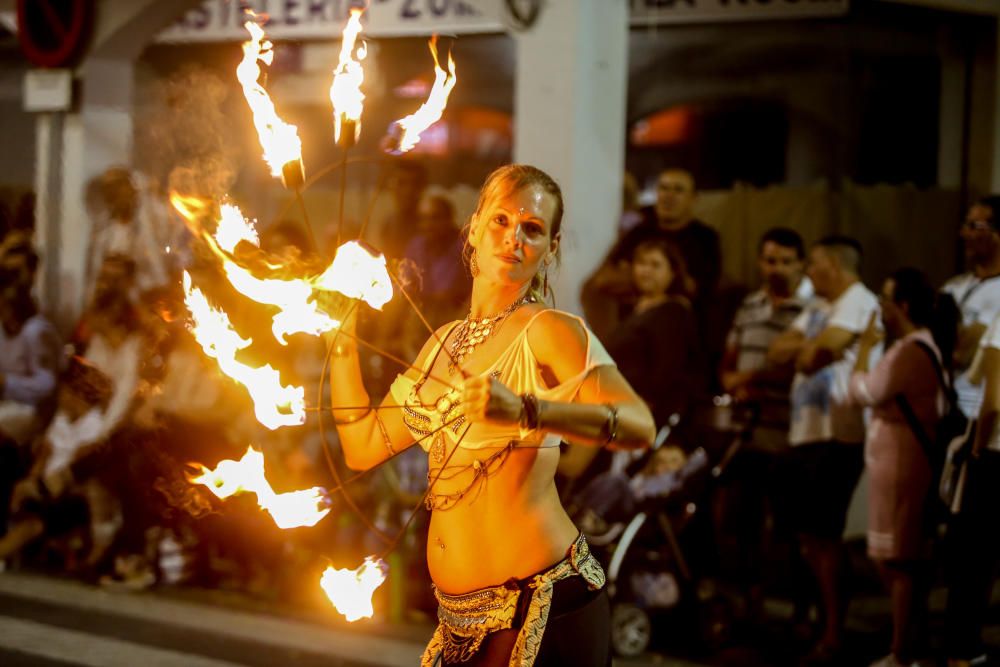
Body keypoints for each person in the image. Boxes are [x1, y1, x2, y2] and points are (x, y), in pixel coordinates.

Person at [327, 164, 656, 666]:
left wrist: (527, 410)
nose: (514, 238)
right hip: (457, 620)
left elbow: (639, 426)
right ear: (474, 227)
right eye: (502, 220)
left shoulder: (549, 330)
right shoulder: (441, 342)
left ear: (550, 247)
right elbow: (363, 446)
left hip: (541, 604)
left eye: (533, 229)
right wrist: (342, 342)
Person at [768, 235, 879, 664]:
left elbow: (820, 355)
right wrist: (809, 349)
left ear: (833, 263)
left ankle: (834, 632)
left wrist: (811, 351)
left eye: (813, 263)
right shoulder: (819, 307)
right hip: (805, 432)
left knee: (827, 537)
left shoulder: (858, 301)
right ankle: (811, 620)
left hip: (838, 433)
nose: (808, 273)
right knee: (807, 538)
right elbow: (784, 351)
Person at [848, 268, 957, 667]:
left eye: (885, 299)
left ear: (903, 305)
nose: (879, 307)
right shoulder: (920, 346)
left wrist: (863, 351)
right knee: (896, 555)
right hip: (896, 458)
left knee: (899, 557)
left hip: (902, 462)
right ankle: (908, 642)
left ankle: (903, 649)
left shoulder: (911, 349)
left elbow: (863, 391)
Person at [582, 168, 721, 342]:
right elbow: (604, 279)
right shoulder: (639, 232)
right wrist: (655, 286)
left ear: (693, 198)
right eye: (663, 188)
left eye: (678, 190)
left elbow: (695, 289)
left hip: (677, 331)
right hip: (631, 328)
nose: (668, 196)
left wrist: (634, 279)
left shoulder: (705, 239)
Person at [943, 305, 1000, 667]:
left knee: (972, 561)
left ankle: (963, 654)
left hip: (995, 453)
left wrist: (977, 447)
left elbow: (993, 400)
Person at [604, 237, 701, 429]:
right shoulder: (632, 309)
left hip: (642, 413)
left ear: (672, 273)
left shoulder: (673, 312)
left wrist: (644, 408)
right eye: (641, 263)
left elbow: (667, 368)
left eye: (655, 265)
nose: (646, 270)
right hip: (616, 403)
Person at [941, 195, 1000, 420]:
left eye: (974, 226)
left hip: (977, 410)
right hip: (943, 405)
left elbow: (964, 351)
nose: (964, 234)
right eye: (966, 225)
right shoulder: (955, 285)